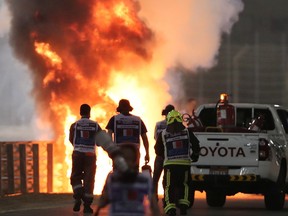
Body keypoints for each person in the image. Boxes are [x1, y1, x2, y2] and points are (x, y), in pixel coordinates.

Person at [69, 104, 129, 214]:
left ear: (80, 112)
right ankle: (87, 206)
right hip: (90, 155)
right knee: (89, 180)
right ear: (89, 112)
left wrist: (78, 147)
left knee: (75, 176)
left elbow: (71, 139)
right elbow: (99, 141)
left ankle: (78, 195)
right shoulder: (95, 125)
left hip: (77, 153)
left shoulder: (74, 125)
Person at [154, 110, 200, 216]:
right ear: (180, 120)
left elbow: (157, 150)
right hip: (184, 165)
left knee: (169, 186)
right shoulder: (187, 132)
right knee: (185, 185)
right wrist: (195, 156)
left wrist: (165, 156)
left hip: (170, 166)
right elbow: (196, 145)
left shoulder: (163, 133)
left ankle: (170, 208)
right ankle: (183, 206)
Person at [95, 144, 160, 216]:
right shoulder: (112, 178)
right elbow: (103, 200)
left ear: (135, 161)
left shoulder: (145, 179)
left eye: (129, 159)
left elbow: (154, 206)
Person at [106, 99, 150, 167]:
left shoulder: (114, 119)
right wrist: (147, 153)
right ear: (129, 108)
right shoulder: (138, 120)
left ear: (120, 108)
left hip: (119, 151)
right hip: (134, 152)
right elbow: (144, 138)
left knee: (118, 174)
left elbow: (109, 135)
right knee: (133, 174)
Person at [153, 104, 175, 199]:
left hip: (160, 154)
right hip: (171, 155)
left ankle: (154, 196)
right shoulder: (177, 125)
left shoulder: (159, 124)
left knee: (156, 177)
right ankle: (168, 197)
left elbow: (155, 138)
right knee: (168, 179)